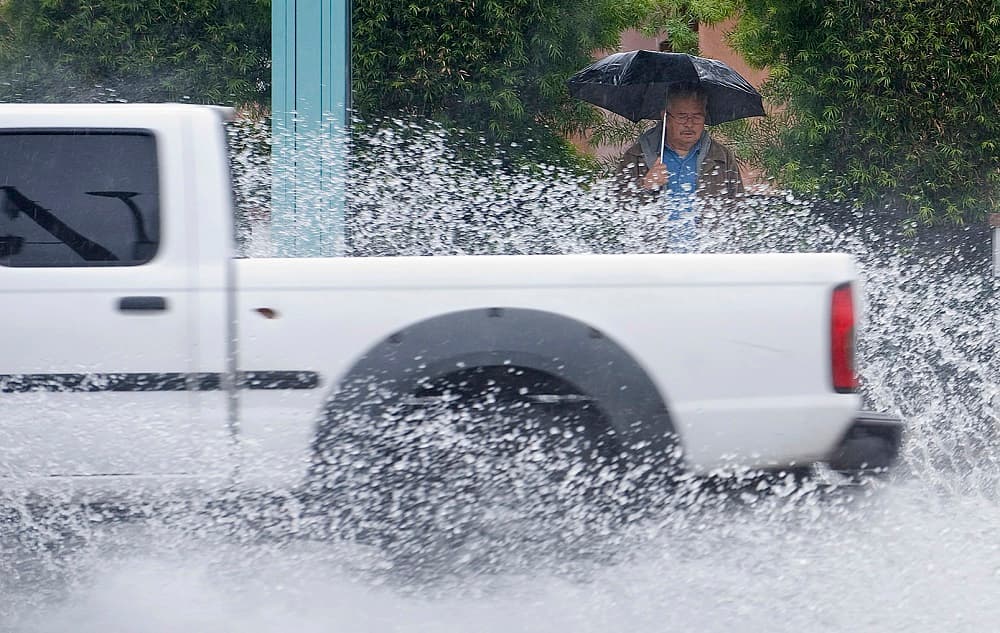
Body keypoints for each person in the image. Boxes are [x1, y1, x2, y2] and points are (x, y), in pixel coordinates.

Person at [615, 82, 743, 250]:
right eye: (682, 116)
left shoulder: (721, 157)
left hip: (707, 258)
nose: (689, 124)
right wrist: (645, 186)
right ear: (665, 117)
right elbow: (617, 207)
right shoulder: (638, 156)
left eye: (697, 117)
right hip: (654, 260)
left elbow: (738, 210)